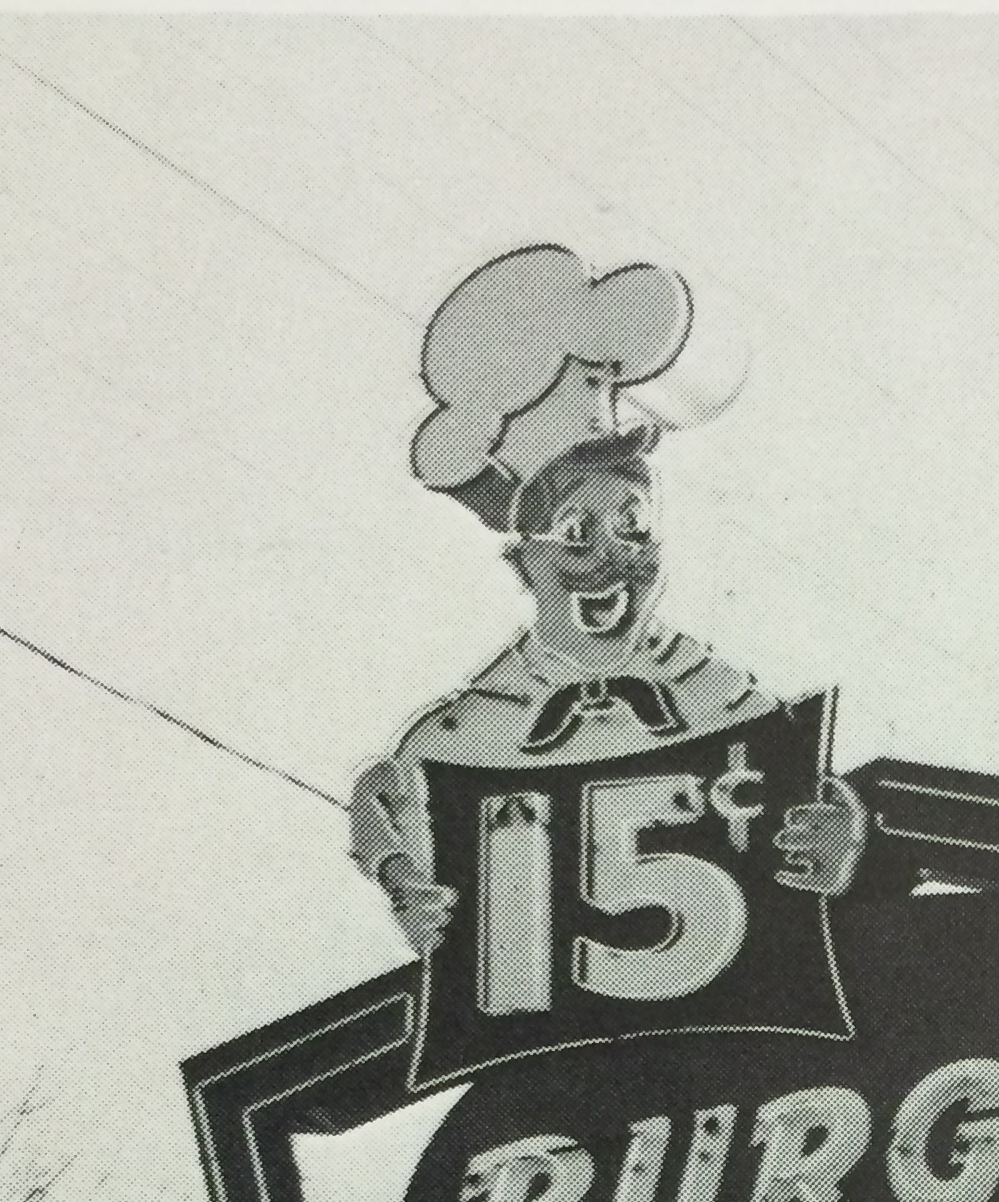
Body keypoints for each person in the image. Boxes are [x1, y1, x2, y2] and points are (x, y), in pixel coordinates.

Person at [351, 245, 863, 955]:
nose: (611, 561)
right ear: (524, 564)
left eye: (634, 528)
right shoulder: (473, 726)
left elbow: (806, 783)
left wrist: (839, 833)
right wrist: (404, 880)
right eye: (575, 534)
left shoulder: (714, 691)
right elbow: (383, 794)